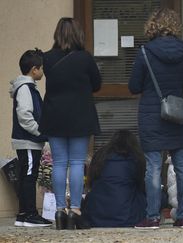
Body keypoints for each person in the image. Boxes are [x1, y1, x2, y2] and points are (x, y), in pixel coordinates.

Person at [128, 8, 183, 229]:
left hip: (151, 115)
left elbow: (134, 86)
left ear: (153, 26)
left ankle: (153, 217)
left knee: (154, 167)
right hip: (176, 116)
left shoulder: (145, 52)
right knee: (181, 165)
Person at [39, 17, 102, 230]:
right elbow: (97, 84)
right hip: (80, 116)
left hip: (55, 115)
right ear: (78, 34)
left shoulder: (46, 58)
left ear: (57, 34)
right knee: (76, 162)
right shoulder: (85, 58)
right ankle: (75, 209)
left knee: (59, 163)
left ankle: (59, 210)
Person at [9, 49, 52, 227]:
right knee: (28, 176)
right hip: (28, 141)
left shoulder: (28, 88)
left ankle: (23, 215)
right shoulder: (25, 89)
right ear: (34, 69)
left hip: (29, 141)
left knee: (28, 175)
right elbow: (25, 116)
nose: (43, 72)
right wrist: (39, 132)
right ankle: (29, 214)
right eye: (42, 68)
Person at [82, 130, 147, 227]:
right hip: (127, 217)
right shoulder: (136, 157)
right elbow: (141, 183)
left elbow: (92, 181)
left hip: (96, 216)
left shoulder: (100, 155)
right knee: (158, 196)